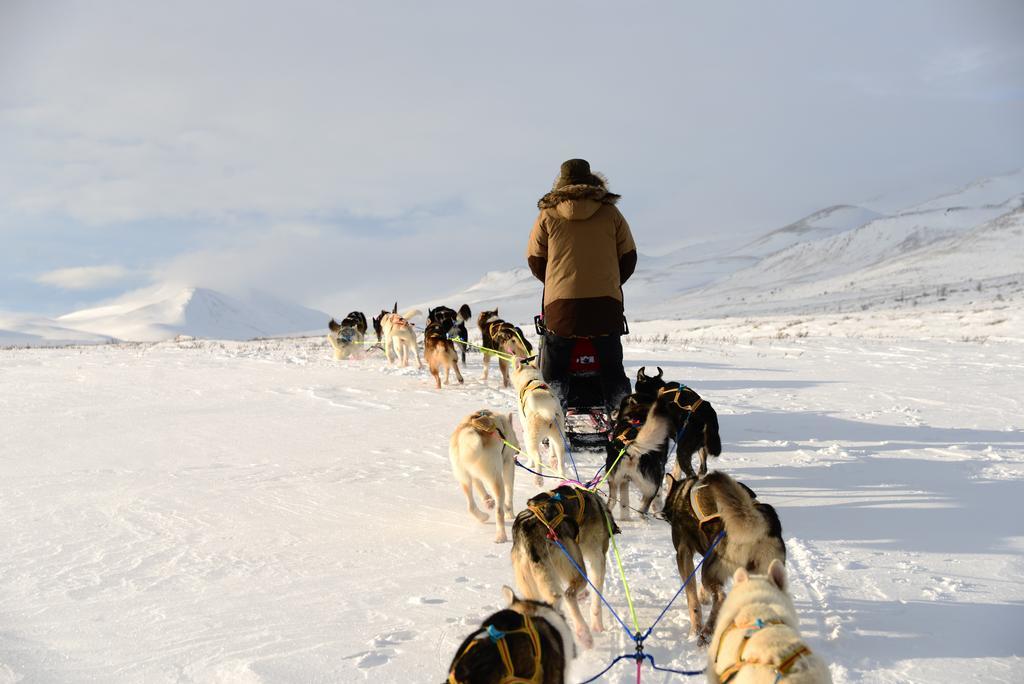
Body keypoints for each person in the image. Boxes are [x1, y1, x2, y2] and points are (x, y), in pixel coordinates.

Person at [526, 158, 636, 415]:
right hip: (605, 307)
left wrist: (555, 282)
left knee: (555, 367)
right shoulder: (611, 213)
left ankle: (552, 417)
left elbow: (534, 259)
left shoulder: (547, 215)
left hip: (561, 309)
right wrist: (609, 282)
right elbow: (628, 257)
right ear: (592, 181)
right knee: (612, 366)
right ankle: (623, 418)